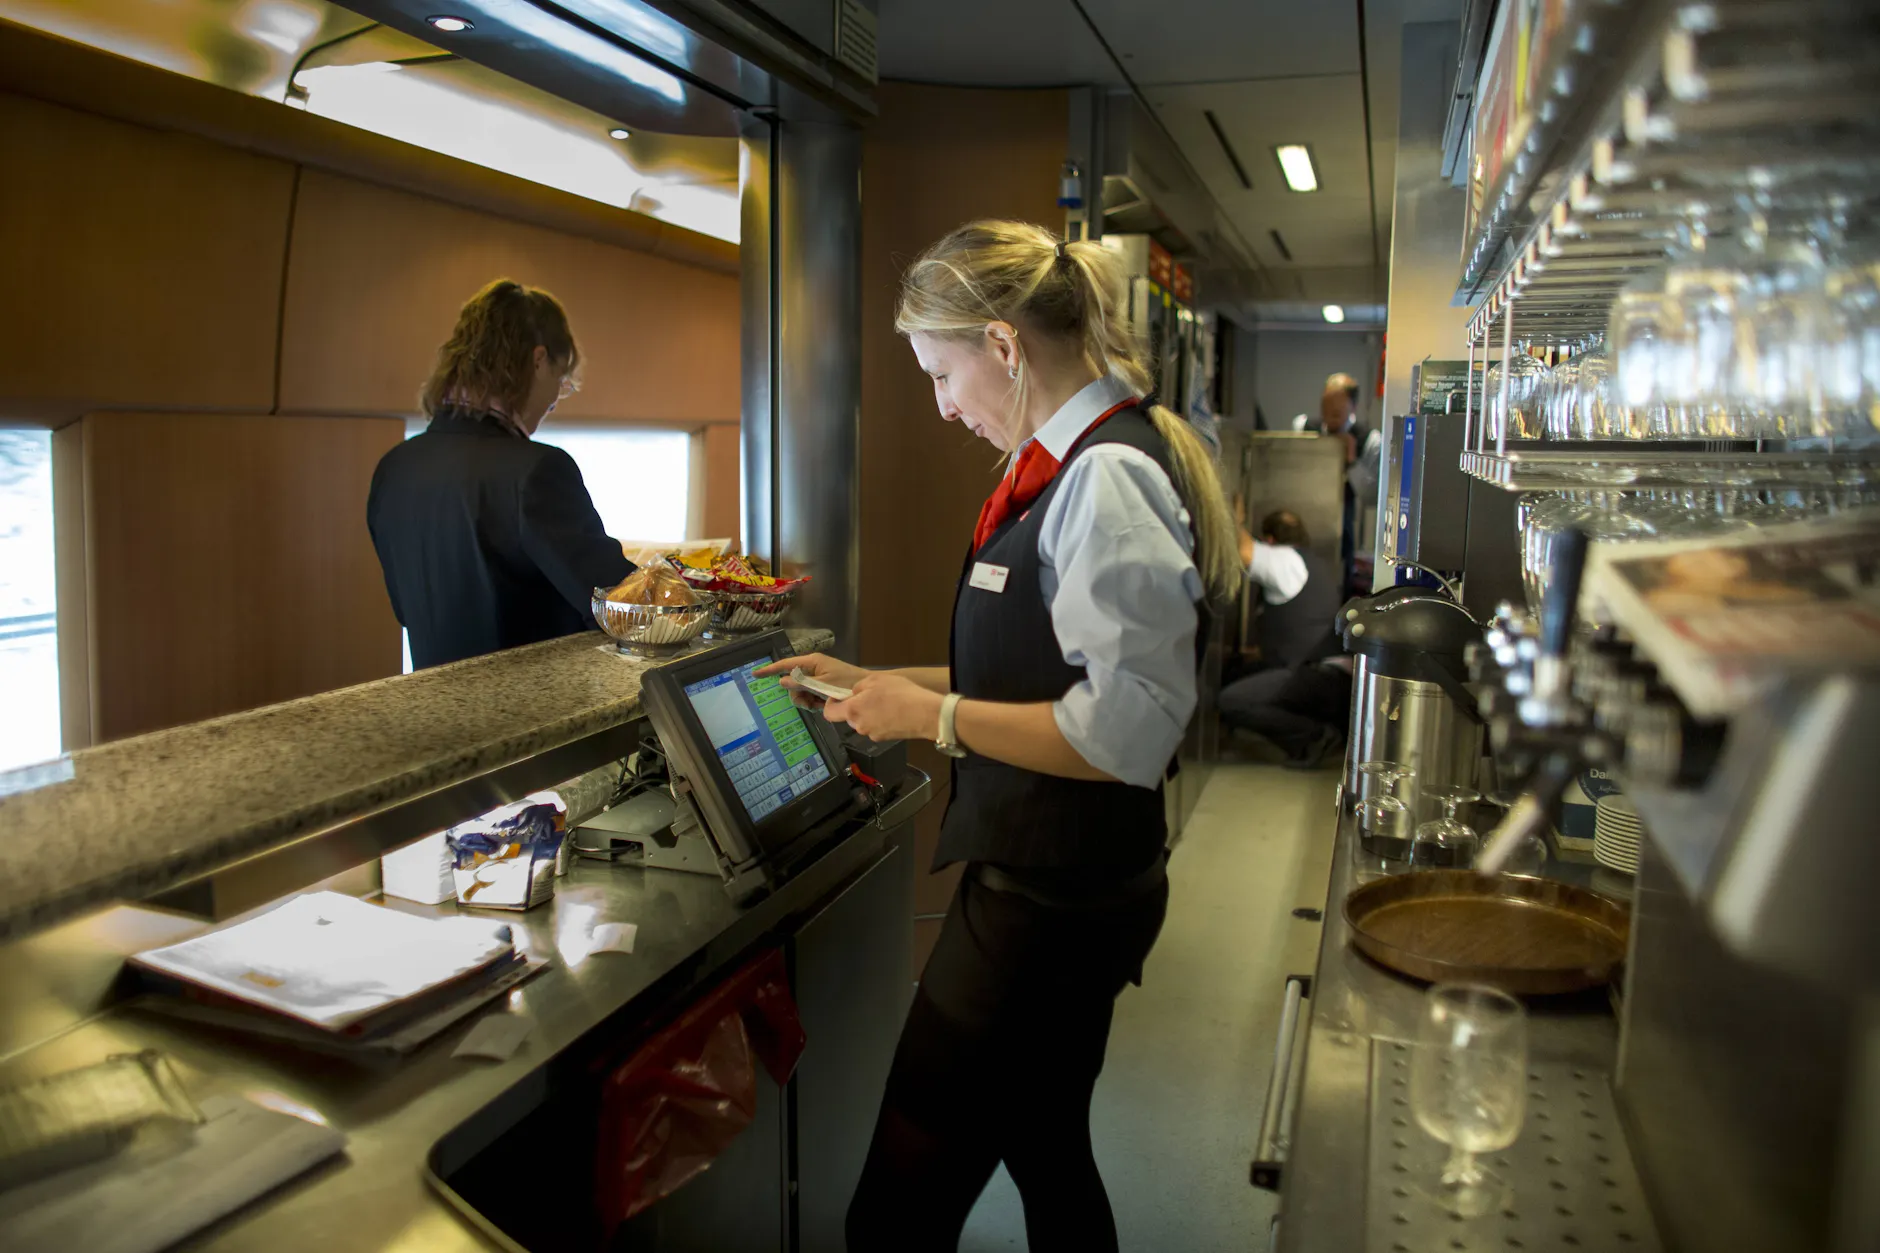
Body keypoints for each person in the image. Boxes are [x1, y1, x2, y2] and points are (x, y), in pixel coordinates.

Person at [760, 221, 1240, 1253]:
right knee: (1046, 1144)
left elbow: (1121, 732)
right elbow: (1039, 674)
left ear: (1003, 345)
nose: (941, 404)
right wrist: (881, 684)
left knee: (891, 1214)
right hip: (1072, 890)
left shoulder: (1103, 481)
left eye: (942, 372)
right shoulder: (1059, 466)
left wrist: (929, 719)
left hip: (1043, 910)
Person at [367, 279, 631, 668]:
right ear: (539, 360)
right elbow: (617, 606)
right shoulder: (537, 471)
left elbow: (407, 611)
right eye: (562, 381)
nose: (555, 402)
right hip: (545, 714)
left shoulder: (395, 466)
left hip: (438, 714)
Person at [1219, 509, 1349, 768]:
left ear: (1269, 540)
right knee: (1234, 672)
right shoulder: (1313, 563)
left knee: (1230, 700)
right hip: (1333, 678)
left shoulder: (1284, 560)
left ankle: (1314, 737)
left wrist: (1234, 517)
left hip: (1321, 677)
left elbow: (1243, 551)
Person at [1293, 372, 1382, 592]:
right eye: (1324, 408)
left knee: (1338, 588)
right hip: (1303, 521)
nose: (1328, 417)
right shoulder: (1304, 428)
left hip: (1343, 531)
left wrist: (1351, 462)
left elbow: (1372, 497)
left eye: (1336, 411)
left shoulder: (1369, 440)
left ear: (1352, 407)